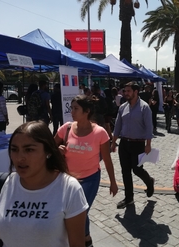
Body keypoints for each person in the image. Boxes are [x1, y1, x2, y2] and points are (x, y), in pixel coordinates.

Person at [0, 121, 88, 247]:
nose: (20, 158)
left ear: (48, 152)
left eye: (29, 150)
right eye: (14, 149)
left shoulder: (69, 188)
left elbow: (77, 243)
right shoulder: (0, 186)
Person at [55, 95, 118, 246]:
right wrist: (57, 149)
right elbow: (49, 147)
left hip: (90, 179)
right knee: (78, 212)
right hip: (68, 180)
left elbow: (107, 160)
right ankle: (87, 238)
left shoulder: (100, 132)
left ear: (87, 111)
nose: (72, 111)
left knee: (80, 213)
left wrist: (113, 182)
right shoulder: (66, 128)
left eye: (76, 108)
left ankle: (79, 241)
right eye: (72, 108)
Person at [110, 82, 155, 209]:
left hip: (138, 144)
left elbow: (148, 127)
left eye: (128, 91)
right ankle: (128, 198)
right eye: (125, 91)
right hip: (124, 143)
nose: (126, 93)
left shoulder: (144, 107)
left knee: (137, 169)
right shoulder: (122, 107)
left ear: (136, 92)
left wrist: (148, 144)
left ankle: (149, 181)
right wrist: (113, 142)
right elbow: (117, 126)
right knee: (125, 171)